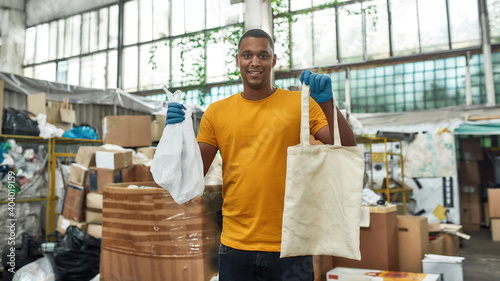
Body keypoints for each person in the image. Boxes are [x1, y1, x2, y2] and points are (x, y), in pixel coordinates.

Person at [166, 28, 356, 281]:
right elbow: (193, 173)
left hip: (291, 244)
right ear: (237, 60)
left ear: (273, 60)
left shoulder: (299, 104)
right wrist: (176, 136)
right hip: (236, 245)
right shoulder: (217, 112)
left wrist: (327, 103)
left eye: (263, 55)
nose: (255, 62)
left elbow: (344, 147)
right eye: (247, 55)